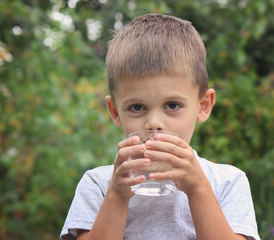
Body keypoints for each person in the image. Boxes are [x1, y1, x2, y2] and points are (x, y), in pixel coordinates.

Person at [60, 13, 260, 240]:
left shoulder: (227, 182)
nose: (154, 123)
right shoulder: (98, 185)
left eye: (172, 105)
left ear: (203, 106)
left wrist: (197, 189)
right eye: (137, 107)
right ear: (115, 112)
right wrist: (117, 195)